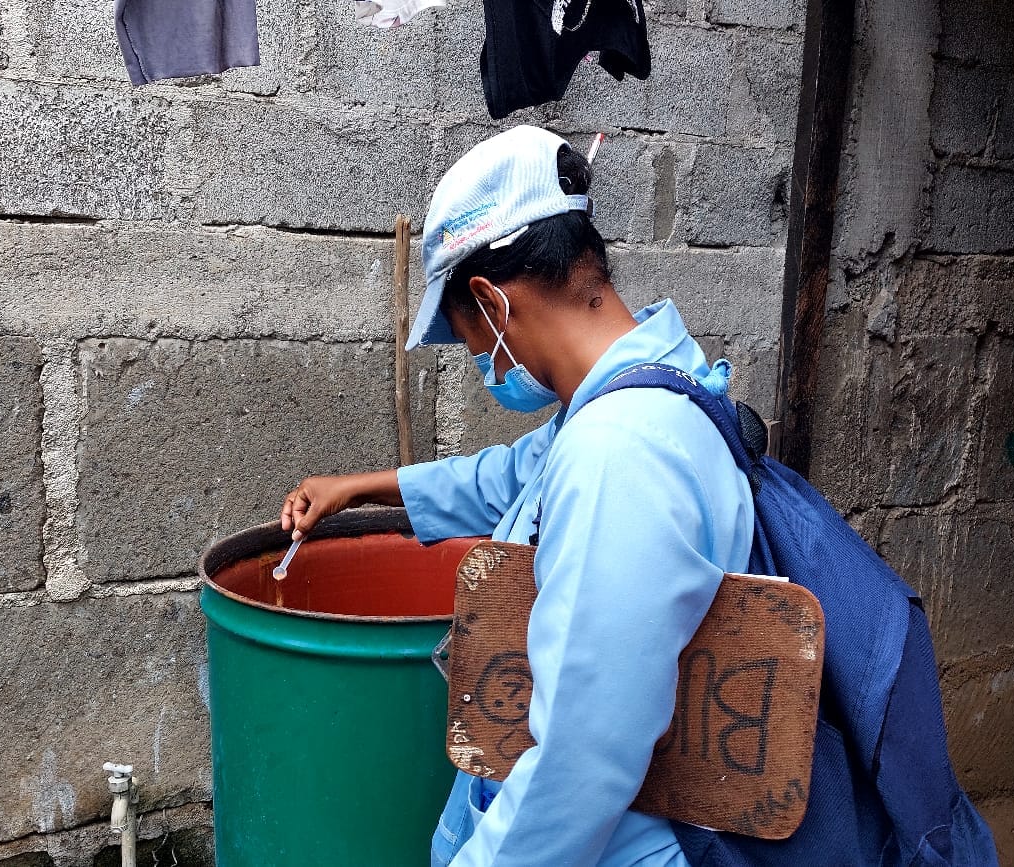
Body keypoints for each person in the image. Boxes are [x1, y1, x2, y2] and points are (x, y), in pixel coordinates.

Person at [280, 125, 754, 866]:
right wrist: (359, 489)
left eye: (471, 344)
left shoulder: (617, 455)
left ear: (492, 303)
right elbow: (507, 476)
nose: (483, 364)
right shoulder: (650, 388)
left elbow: (579, 764)